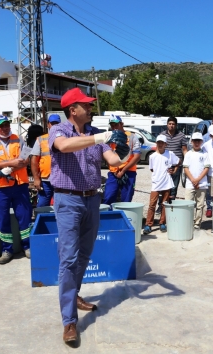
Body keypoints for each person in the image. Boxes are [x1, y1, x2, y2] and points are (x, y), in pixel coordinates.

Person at [48, 88, 129, 344]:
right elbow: (63, 146)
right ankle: (69, 321)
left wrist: (126, 150)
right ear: (73, 110)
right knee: (69, 259)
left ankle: (74, 295)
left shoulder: (96, 134)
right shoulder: (59, 130)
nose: (91, 108)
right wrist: (99, 138)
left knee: (84, 254)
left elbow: (113, 160)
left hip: (92, 200)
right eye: (87, 105)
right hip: (68, 200)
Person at [0, 115, 32, 265]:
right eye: (1, 126)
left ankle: (27, 246)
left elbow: (26, 160)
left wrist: (10, 168)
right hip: (0, 188)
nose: (5, 128)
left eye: (6, 125)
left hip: (19, 185)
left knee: (24, 216)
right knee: (3, 219)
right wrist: (9, 164)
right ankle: (7, 250)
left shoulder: (18, 139)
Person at [102, 114, 141, 205]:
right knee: (108, 197)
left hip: (128, 172)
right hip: (113, 173)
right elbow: (106, 154)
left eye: (116, 124)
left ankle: (124, 214)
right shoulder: (109, 137)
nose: (114, 127)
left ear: (121, 124)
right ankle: (108, 213)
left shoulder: (132, 137)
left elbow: (137, 157)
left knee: (126, 200)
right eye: (112, 125)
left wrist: (123, 170)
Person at [144, 135, 180, 234]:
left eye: (162, 143)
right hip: (156, 183)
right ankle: (148, 224)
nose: (160, 144)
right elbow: (152, 169)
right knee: (152, 204)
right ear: (156, 143)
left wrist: (174, 170)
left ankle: (162, 222)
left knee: (165, 203)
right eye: (158, 142)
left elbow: (178, 162)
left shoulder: (170, 154)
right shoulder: (152, 156)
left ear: (165, 144)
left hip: (166, 182)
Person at [32, 114, 62, 207]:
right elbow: (34, 160)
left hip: (61, 179)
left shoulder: (65, 138)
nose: (54, 126)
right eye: (52, 123)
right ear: (48, 124)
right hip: (46, 179)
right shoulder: (41, 139)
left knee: (60, 205)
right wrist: (36, 178)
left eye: (57, 124)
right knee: (42, 205)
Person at [158, 117, 188, 208]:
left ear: (176, 125)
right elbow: (158, 148)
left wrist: (187, 162)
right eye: (170, 124)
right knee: (162, 185)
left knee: (174, 186)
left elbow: (184, 150)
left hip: (177, 165)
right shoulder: (162, 135)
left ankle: (171, 205)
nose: (171, 125)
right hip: (164, 165)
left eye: (173, 124)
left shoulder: (181, 135)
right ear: (167, 124)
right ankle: (161, 206)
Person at [183, 132, 210, 228]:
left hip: (202, 183)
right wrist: (193, 180)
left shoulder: (205, 154)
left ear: (201, 142)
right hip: (190, 183)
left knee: (200, 204)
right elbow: (186, 168)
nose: (197, 143)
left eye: (199, 141)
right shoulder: (188, 154)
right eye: (195, 141)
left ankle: (197, 222)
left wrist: (198, 180)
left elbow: (206, 168)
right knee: (188, 203)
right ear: (191, 142)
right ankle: (188, 221)